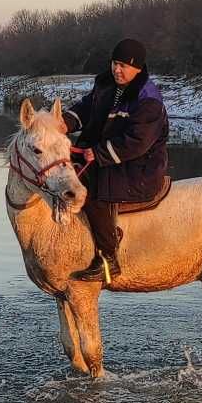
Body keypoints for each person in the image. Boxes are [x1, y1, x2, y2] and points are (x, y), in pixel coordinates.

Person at [61, 37, 170, 281]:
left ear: (138, 68)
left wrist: (97, 154)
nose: (117, 70)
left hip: (138, 169)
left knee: (91, 188)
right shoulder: (107, 85)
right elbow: (87, 107)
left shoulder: (148, 99)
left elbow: (137, 142)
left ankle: (109, 259)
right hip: (113, 159)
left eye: (124, 66)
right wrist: (64, 123)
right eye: (114, 63)